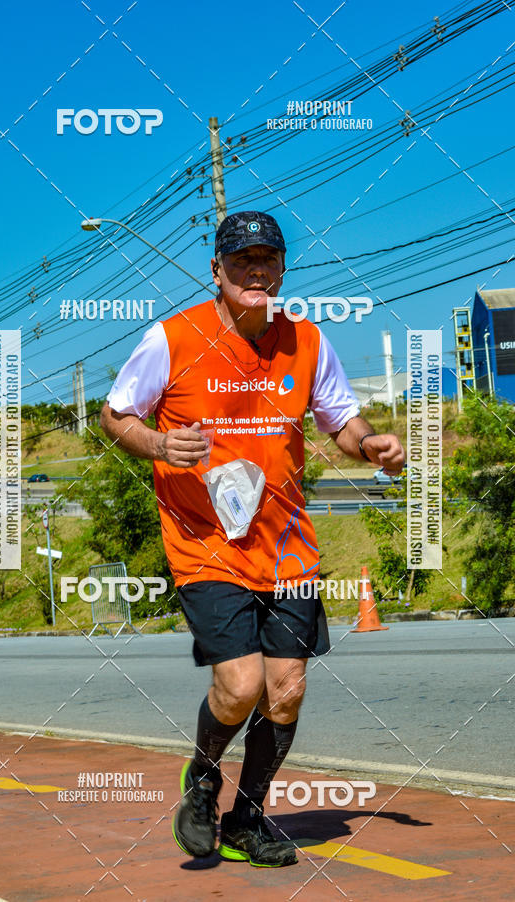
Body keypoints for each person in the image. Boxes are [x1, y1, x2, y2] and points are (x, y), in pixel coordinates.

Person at [100, 210, 405, 867]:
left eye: (268, 258)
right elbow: (115, 413)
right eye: (242, 260)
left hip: (287, 544)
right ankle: (204, 776)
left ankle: (248, 817)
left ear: (282, 268)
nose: (256, 269)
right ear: (217, 271)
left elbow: (340, 421)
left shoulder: (307, 342)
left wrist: (369, 445)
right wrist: (156, 442)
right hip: (204, 543)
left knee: (287, 688)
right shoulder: (172, 339)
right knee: (240, 685)